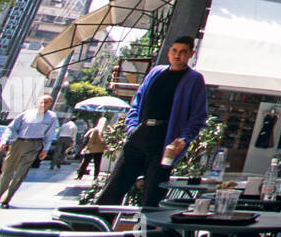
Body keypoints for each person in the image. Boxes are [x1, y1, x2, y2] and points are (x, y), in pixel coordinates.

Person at [99, 36, 208, 207]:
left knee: (153, 195)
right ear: (169, 52)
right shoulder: (156, 72)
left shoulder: (194, 79)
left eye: (182, 52)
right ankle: (94, 228)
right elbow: (137, 102)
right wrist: (132, 128)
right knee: (114, 188)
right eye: (174, 50)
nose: (177, 55)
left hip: (165, 141)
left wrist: (185, 138)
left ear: (190, 54)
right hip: (140, 134)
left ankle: (144, 233)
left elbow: (199, 117)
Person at [0, 95, 59, 208]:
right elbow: (11, 127)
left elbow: (49, 135)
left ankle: (6, 200)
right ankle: (0, 195)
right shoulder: (26, 114)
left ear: (50, 105)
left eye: (46, 102)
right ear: (37, 102)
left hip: (34, 145)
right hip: (18, 143)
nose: (43, 104)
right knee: (7, 171)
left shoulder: (51, 117)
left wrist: (45, 149)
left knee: (20, 173)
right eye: (41, 101)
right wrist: (4, 141)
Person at [77, 116, 109, 180]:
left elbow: (91, 140)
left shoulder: (96, 130)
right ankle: (95, 177)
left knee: (85, 163)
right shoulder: (105, 131)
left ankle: (80, 176)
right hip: (100, 150)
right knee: (97, 164)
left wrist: (87, 148)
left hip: (91, 150)